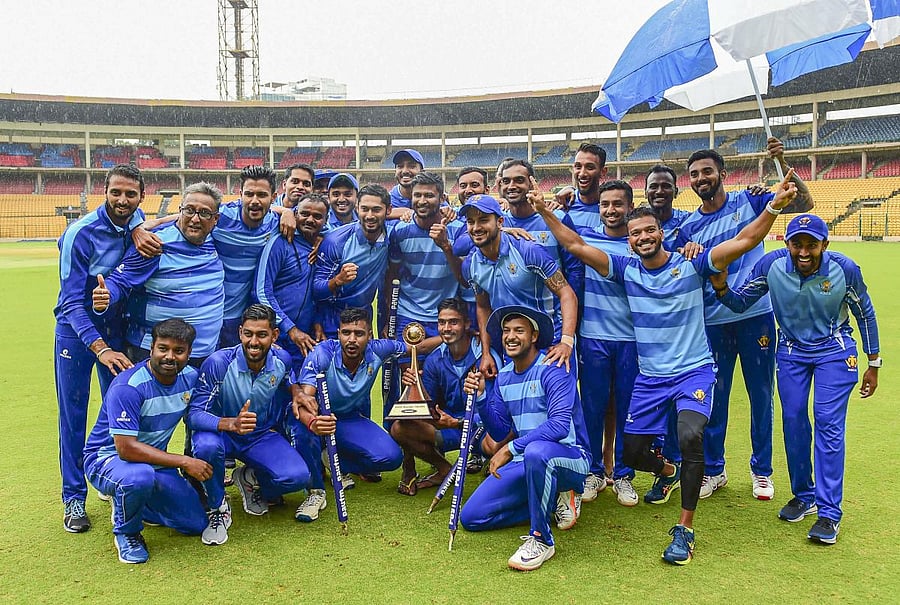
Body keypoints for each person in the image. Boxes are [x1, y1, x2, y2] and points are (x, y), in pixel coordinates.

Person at [531, 171, 799, 564]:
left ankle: (685, 530)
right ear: (629, 239)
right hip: (651, 377)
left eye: (649, 230)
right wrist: (544, 211)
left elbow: (744, 241)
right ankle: (668, 470)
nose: (643, 237)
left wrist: (774, 206)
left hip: (693, 371)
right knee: (635, 453)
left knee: (691, 435)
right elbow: (573, 243)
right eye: (636, 233)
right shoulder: (626, 269)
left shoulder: (692, 264)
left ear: (661, 231)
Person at [712, 214, 880, 545]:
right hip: (791, 352)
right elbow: (741, 301)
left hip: (834, 350)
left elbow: (866, 313)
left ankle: (830, 513)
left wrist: (874, 362)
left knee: (828, 423)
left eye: (811, 245)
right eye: (797, 244)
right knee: (792, 421)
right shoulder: (771, 265)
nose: (804, 252)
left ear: (825, 246)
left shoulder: (845, 269)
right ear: (786, 244)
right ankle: (805, 494)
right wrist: (721, 288)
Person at [674, 139, 813, 501]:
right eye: (694, 174)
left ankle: (761, 471)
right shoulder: (688, 228)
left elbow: (803, 203)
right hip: (714, 322)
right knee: (715, 399)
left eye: (707, 171)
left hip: (756, 318)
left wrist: (781, 159)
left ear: (722, 174)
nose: (701, 178)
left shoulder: (749, 200)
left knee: (760, 396)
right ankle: (715, 469)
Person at [460, 306, 589, 571]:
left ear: (533, 336)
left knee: (537, 452)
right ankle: (549, 502)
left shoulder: (553, 368)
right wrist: (483, 396)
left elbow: (559, 427)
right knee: (472, 517)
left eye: (519, 330)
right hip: (527, 461)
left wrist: (510, 448)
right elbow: (498, 430)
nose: (510, 336)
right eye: (506, 331)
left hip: (570, 459)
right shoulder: (504, 376)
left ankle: (541, 539)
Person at [54, 164, 145, 532]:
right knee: (73, 415)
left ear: (140, 197)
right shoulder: (79, 234)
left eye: (130, 195)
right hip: (76, 335)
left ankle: (107, 477)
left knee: (116, 413)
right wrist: (100, 347)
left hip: (116, 330)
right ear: (103, 192)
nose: (122, 200)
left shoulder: (135, 226)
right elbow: (71, 302)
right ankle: (73, 499)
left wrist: (139, 224)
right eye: (116, 193)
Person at [82, 319, 209, 563]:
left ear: (189, 353)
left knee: (194, 523)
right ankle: (127, 532)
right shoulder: (129, 386)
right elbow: (125, 448)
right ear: (151, 348)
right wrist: (184, 461)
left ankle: (135, 501)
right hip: (107, 459)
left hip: (152, 463)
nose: (169, 357)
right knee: (138, 478)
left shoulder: (191, 378)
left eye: (178, 351)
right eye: (163, 348)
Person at [188, 304, 311, 545]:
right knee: (206, 448)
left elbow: (288, 379)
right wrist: (230, 423)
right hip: (220, 433)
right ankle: (217, 508)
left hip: (258, 435)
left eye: (262, 335)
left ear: (274, 336)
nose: (254, 342)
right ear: (240, 332)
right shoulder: (218, 363)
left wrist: (296, 391)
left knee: (297, 477)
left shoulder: (282, 359)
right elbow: (193, 414)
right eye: (248, 334)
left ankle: (249, 478)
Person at [290, 308, 405, 520]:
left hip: (347, 419)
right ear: (338, 333)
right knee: (302, 431)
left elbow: (414, 348)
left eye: (359, 334)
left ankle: (333, 459)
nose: (351, 340)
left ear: (370, 335)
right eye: (346, 333)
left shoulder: (379, 350)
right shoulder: (323, 354)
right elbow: (305, 402)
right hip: (317, 417)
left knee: (391, 458)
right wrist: (315, 423)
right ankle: (316, 491)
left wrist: (447, 339)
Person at [92, 181, 225, 364]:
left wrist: (281, 211)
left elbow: (251, 207)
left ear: (215, 219)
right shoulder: (154, 242)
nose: (195, 218)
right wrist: (107, 294)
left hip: (205, 356)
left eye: (204, 213)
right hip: (155, 355)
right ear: (180, 210)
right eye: (189, 210)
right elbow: (120, 281)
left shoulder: (217, 239)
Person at [389, 298, 502, 495]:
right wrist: (416, 388)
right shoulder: (434, 359)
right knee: (400, 428)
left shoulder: (487, 359)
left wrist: (458, 421)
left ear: (467, 324)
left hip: (483, 431)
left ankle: (501, 476)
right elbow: (430, 406)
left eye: (453, 322)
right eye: (442, 322)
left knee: (497, 441)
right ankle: (444, 469)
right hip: (452, 428)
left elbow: (498, 412)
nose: (446, 328)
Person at [459, 194, 578, 378]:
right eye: (470, 221)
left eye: (483, 220)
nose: (476, 228)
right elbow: (483, 306)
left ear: (500, 222)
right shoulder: (470, 265)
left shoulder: (528, 251)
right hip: (513, 344)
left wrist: (566, 342)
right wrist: (486, 352)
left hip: (550, 343)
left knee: (556, 404)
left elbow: (567, 294)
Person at [576, 180, 640, 506]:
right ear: (598, 208)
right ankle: (593, 471)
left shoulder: (641, 243)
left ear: (630, 206)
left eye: (617, 204)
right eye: (605, 204)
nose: (611, 210)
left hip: (631, 339)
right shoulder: (588, 239)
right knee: (593, 408)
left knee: (629, 409)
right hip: (593, 338)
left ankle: (624, 475)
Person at [383, 172, 467, 415]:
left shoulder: (458, 229)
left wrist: (446, 246)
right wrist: (390, 316)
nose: (422, 200)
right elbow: (392, 275)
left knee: (436, 385)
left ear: (442, 198)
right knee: (406, 383)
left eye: (429, 195)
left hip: (445, 317)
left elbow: (463, 276)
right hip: (409, 317)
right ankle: (404, 450)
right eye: (417, 195)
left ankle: (439, 439)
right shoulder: (400, 231)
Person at [255, 193, 328, 375]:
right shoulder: (279, 243)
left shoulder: (323, 247)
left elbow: (315, 294)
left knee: (301, 397)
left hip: (304, 341)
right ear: (295, 214)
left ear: (326, 221)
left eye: (317, 216)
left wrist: (317, 322)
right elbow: (262, 292)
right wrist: (290, 328)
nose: (310, 220)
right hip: (275, 338)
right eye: (305, 214)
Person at [314, 184, 391, 337]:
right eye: (365, 209)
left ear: (388, 210)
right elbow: (316, 290)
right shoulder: (335, 241)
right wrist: (338, 280)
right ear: (357, 208)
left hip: (364, 320)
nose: (369, 215)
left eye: (376, 210)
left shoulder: (392, 235)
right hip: (332, 320)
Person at [566, 142, 609, 232]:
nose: (582, 174)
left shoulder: (611, 211)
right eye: (578, 167)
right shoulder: (564, 205)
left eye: (589, 168)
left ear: (603, 172)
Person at [387, 148, 424, 221]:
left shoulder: (432, 197)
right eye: (400, 166)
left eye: (412, 166)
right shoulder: (388, 200)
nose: (405, 171)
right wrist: (404, 211)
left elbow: (445, 214)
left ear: (422, 172)